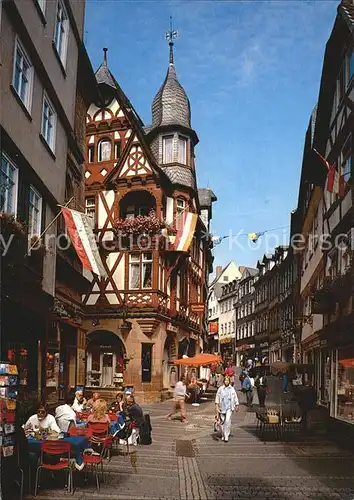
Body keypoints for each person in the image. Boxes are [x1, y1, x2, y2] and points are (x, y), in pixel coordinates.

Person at [215, 375, 239, 443]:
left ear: (229, 381)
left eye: (227, 380)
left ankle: (226, 436)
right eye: (225, 380)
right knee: (222, 422)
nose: (226, 381)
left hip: (229, 407)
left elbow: (235, 397)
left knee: (227, 420)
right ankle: (223, 434)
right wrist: (216, 406)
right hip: (222, 407)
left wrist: (236, 404)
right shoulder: (220, 389)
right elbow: (217, 397)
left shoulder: (232, 389)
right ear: (223, 381)